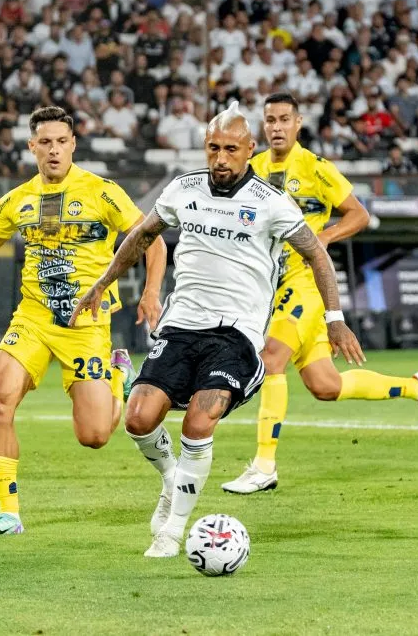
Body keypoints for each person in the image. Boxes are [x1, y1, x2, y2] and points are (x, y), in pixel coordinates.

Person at [71, 101, 366, 558]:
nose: (221, 158)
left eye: (231, 149)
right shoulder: (183, 189)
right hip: (182, 326)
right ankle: (172, 478)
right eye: (214, 148)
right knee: (138, 419)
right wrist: (103, 282)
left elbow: (317, 255)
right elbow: (143, 235)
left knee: (198, 420)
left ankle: (173, 531)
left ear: (250, 149)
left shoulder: (271, 202)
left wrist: (335, 319)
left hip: (236, 335)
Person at [0, 106, 167, 537]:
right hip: (33, 317)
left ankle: (118, 374)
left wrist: (150, 292)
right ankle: (8, 514)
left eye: (61, 142)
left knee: (94, 436)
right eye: (45, 142)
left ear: (73, 145)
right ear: (32, 147)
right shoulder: (17, 200)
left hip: (85, 323)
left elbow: (151, 239)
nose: (54, 150)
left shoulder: (101, 192)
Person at [222, 93, 418, 495]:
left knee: (271, 359)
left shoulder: (316, 168)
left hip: (307, 282)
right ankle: (417, 387)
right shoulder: (253, 169)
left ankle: (264, 466)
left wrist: (324, 237)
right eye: (270, 120)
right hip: (272, 287)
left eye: (284, 119)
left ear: (298, 123)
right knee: (326, 386)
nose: (277, 127)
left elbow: (359, 214)